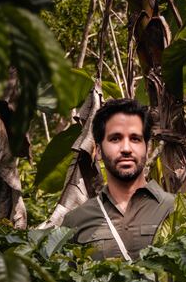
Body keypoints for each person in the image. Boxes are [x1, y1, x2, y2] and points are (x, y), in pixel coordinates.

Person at [63, 98, 173, 260]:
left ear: (148, 149)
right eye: (115, 139)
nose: (126, 149)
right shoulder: (75, 221)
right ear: (98, 151)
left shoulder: (174, 209)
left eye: (135, 139)